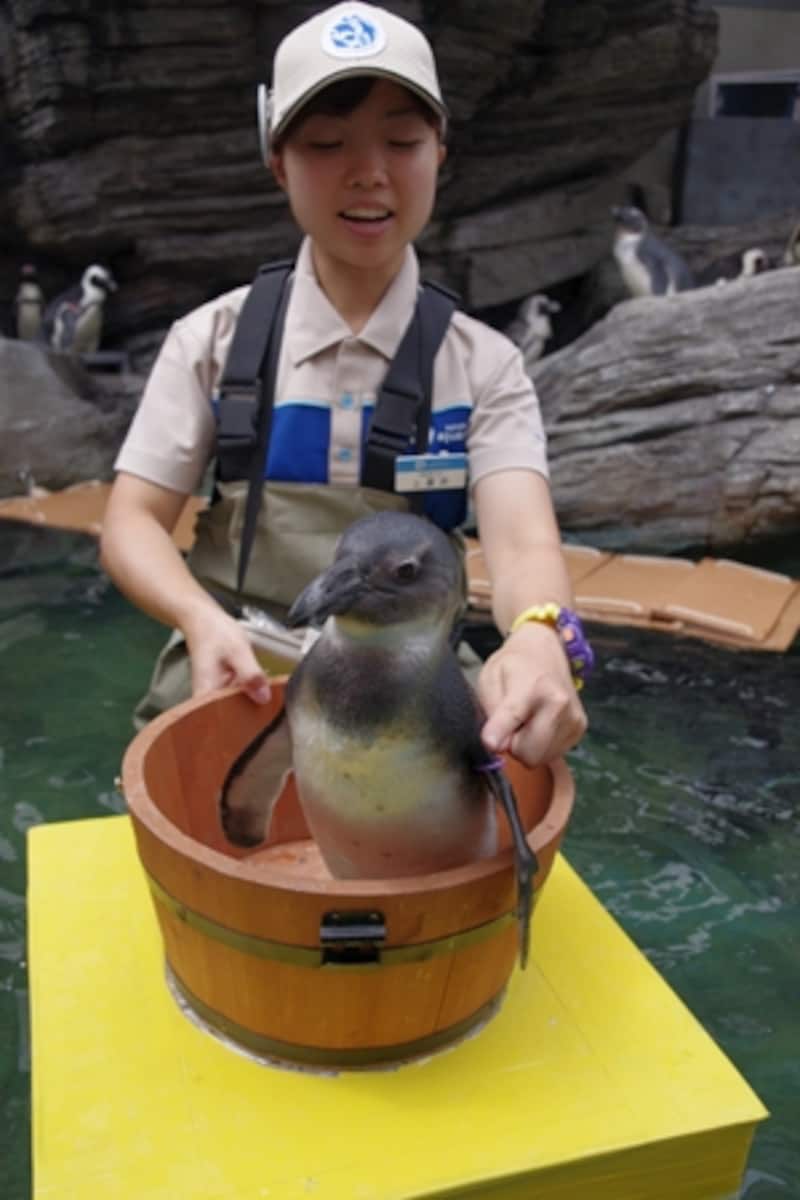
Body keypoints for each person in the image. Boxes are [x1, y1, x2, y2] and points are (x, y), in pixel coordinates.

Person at [100, 1, 589, 767]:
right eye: (327, 144)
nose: (369, 173)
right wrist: (199, 619)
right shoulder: (213, 343)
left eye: (402, 141)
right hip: (238, 670)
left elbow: (524, 538)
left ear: (440, 153)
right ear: (277, 162)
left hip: (413, 683)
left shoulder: (483, 364)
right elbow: (131, 519)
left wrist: (539, 634)